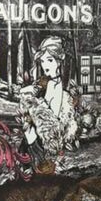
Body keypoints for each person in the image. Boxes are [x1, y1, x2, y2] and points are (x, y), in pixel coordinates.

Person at [17, 36, 80, 170]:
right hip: (36, 140)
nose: (45, 65)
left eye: (50, 60)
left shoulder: (56, 86)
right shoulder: (47, 83)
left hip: (41, 144)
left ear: (59, 61)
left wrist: (31, 103)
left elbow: (51, 123)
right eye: (42, 61)